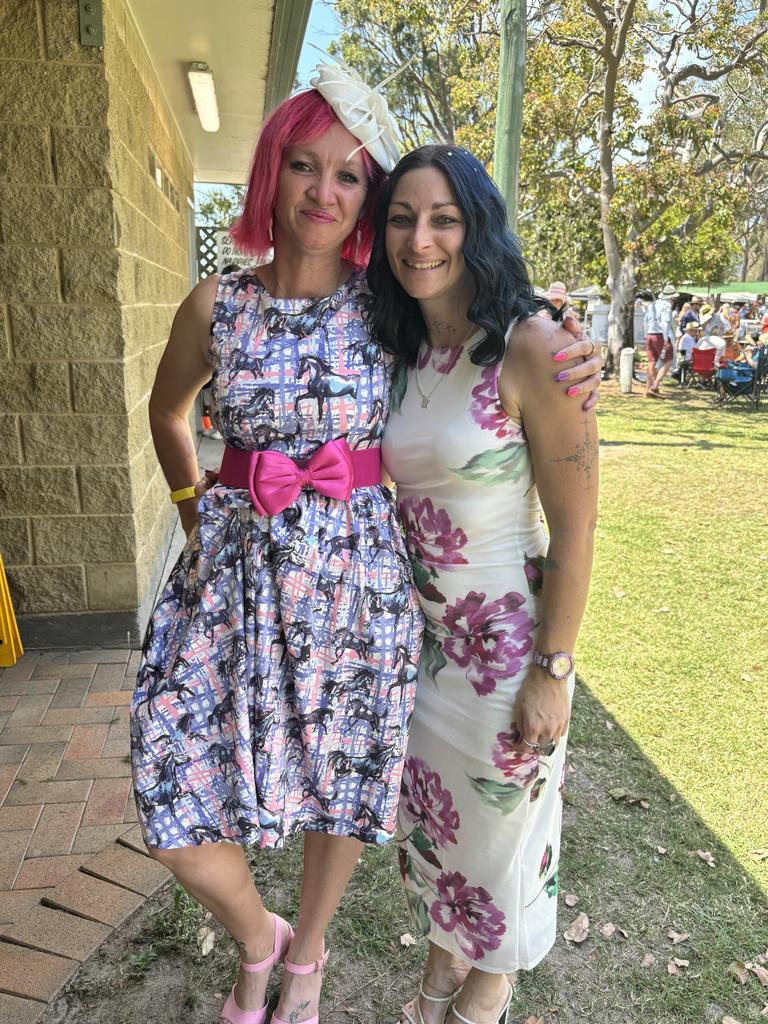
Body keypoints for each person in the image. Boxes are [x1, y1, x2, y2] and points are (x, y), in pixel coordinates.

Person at [130, 65, 601, 1024]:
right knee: (165, 784)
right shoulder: (217, 302)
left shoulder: (378, 308)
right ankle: (259, 937)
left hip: (357, 590)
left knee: (342, 788)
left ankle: (306, 961)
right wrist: (193, 507)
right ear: (271, 173)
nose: (323, 192)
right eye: (303, 166)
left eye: (350, 176)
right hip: (231, 585)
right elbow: (167, 410)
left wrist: (561, 333)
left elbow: (474, 312)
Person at [368, 145, 598, 1024]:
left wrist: (555, 669)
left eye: (443, 219)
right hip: (426, 655)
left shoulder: (534, 344)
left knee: (501, 850)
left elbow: (576, 529)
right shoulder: (405, 345)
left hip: (507, 657)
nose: (419, 238)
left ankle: (478, 1001)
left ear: (478, 227)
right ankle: (433, 987)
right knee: (439, 836)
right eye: (401, 217)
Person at [642, 285, 676, 398]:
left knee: (652, 362)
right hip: (660, 335)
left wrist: (645, 335)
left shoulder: (652, 304)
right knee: (668, 361)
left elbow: (645, 320)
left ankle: (648, 388)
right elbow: (665, 323)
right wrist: (666, 339)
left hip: (650, 334)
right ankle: (655, 386)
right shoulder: (666, 306)